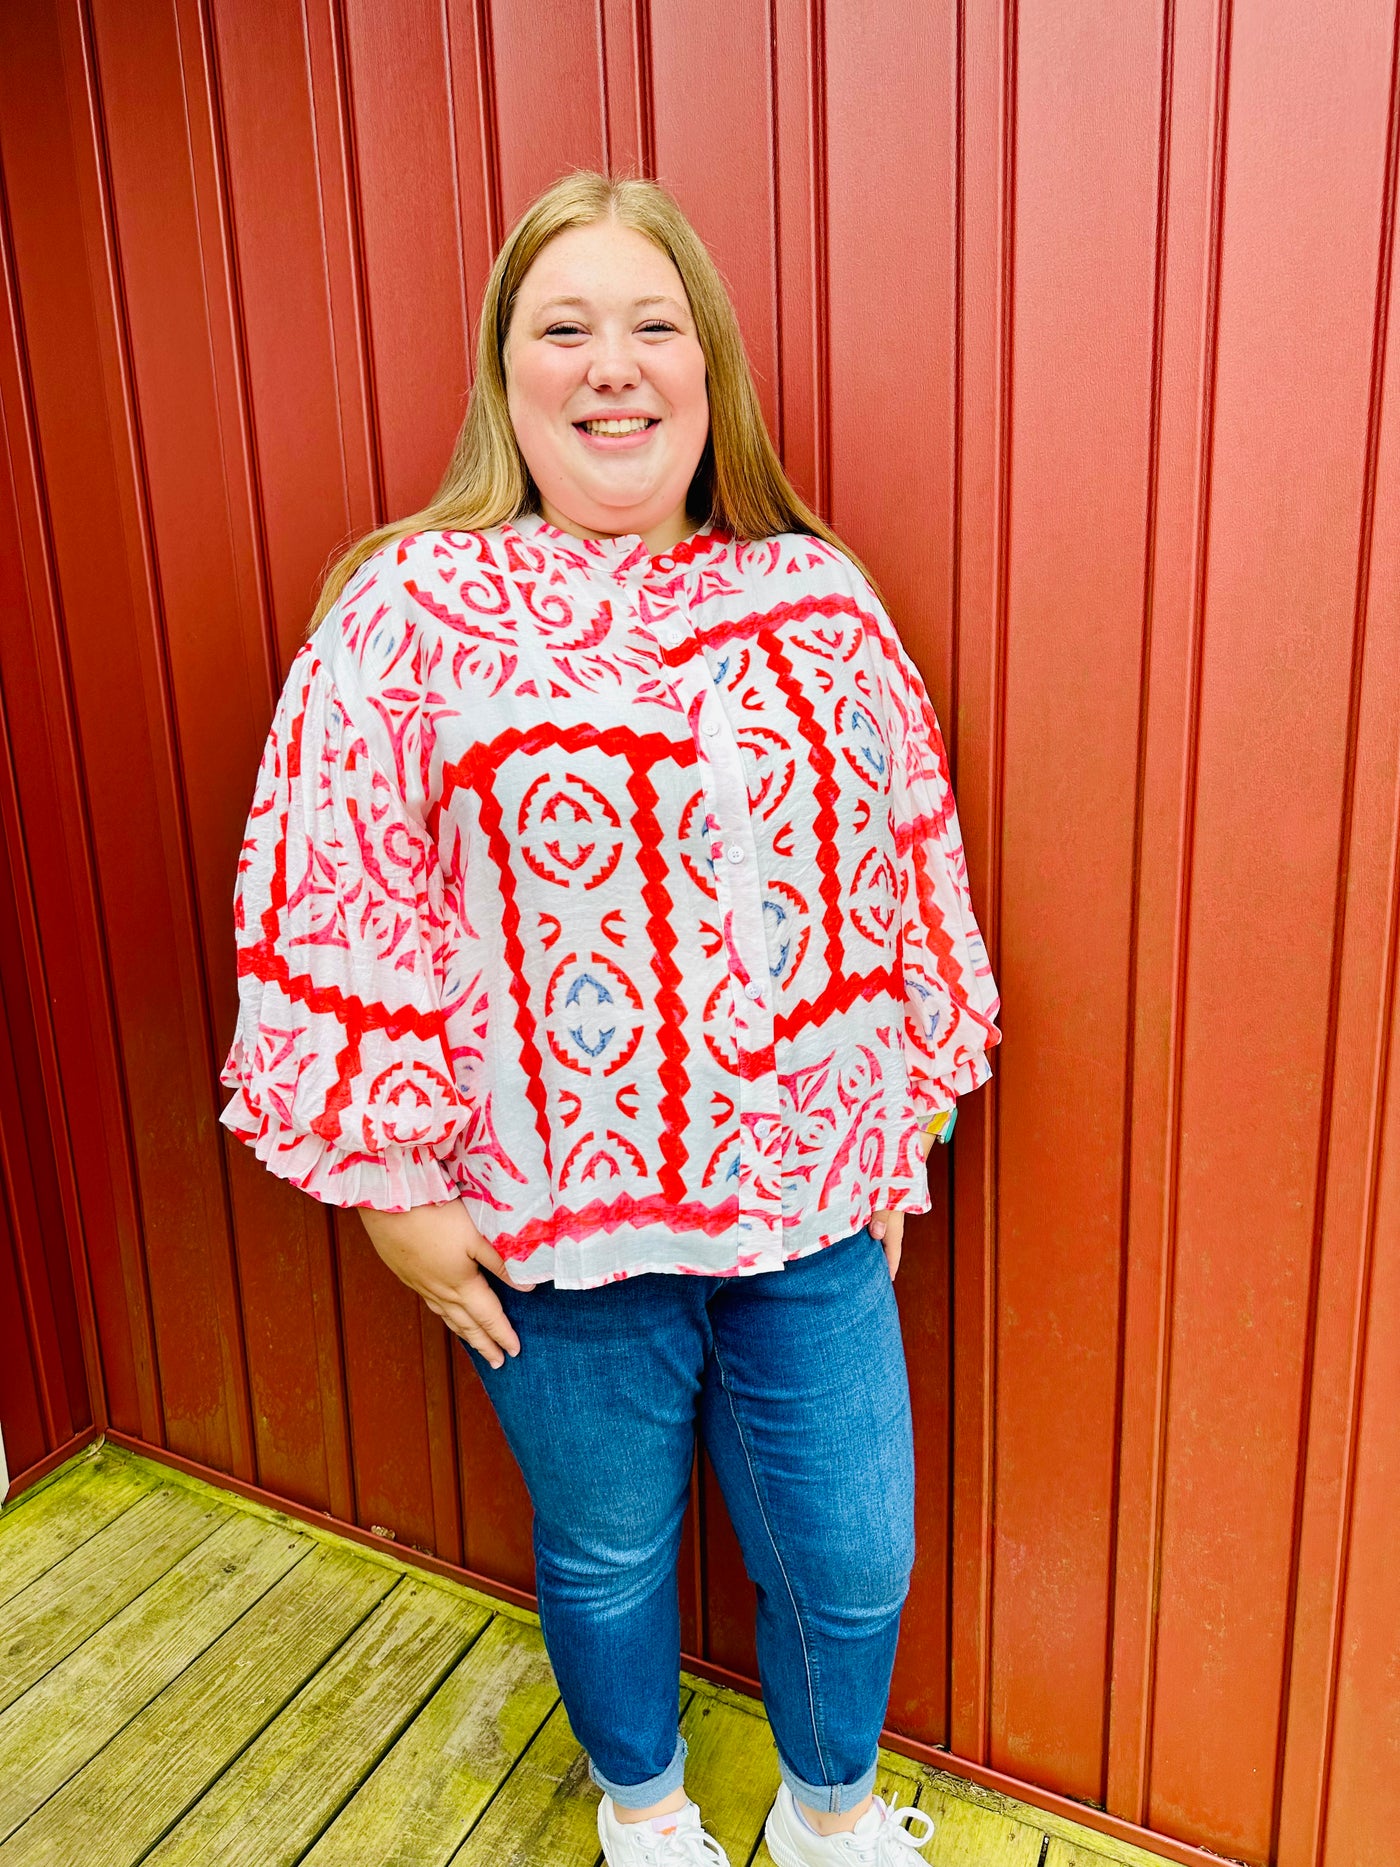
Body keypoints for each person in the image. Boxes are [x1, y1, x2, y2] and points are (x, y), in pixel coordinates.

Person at [220, 168, 1000, 1867]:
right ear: (509, 376)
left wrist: (910, 1104)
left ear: (708, 370)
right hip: (547, 1225)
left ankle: (828, 1820)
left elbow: (905, 857)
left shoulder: (814, 601)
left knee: (855, 1546)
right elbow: (340, 889)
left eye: (653, 326)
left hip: (802, 1204)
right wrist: (384, 1188)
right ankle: (644, 1812)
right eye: (563, 328)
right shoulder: (409, 614)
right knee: (603, 1554)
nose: (612, 364)